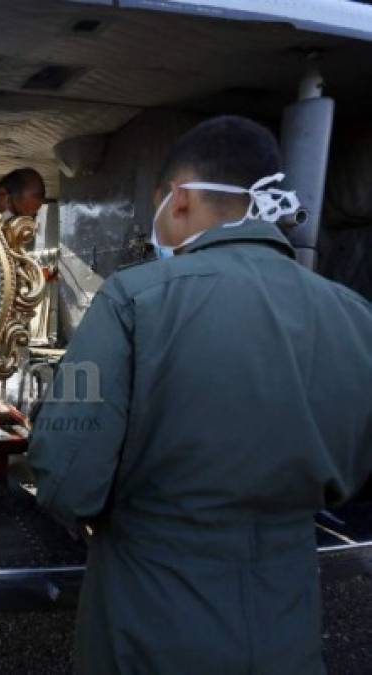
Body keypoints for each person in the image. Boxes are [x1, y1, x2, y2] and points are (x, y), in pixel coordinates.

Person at [28, 115, 372, 674]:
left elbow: (68, 480)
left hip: (148, 626)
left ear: (178, 200)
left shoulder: (132, 300)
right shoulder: (354, 315)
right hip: (287, 628)